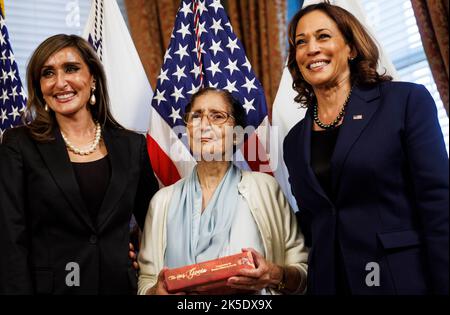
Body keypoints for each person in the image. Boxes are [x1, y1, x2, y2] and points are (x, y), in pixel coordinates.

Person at [283, 1, 449, 295]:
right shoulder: (294, 141)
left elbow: (438, 204)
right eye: (300, 42)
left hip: (400, 280)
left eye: (323, 36)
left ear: (351, 48)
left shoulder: (405, 102)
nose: (311, 48)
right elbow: (313, 220)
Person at [0, 34, 159, 294]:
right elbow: (9, 239)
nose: (60, 82)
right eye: (48, 73)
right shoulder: (18, 145)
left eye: (71, 69)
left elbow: (156, 223)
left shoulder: (131, 145)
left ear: (93, 77)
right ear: (39, 86)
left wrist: (129, 248)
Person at [137, 88, 308, 295]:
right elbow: (146, 281)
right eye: (196, 116)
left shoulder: (266, 189)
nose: (204, 124)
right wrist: (156, 291)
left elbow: (303, 273)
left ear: (236, 135)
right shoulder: (162, 201)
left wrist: (273, 274)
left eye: (217, 116)